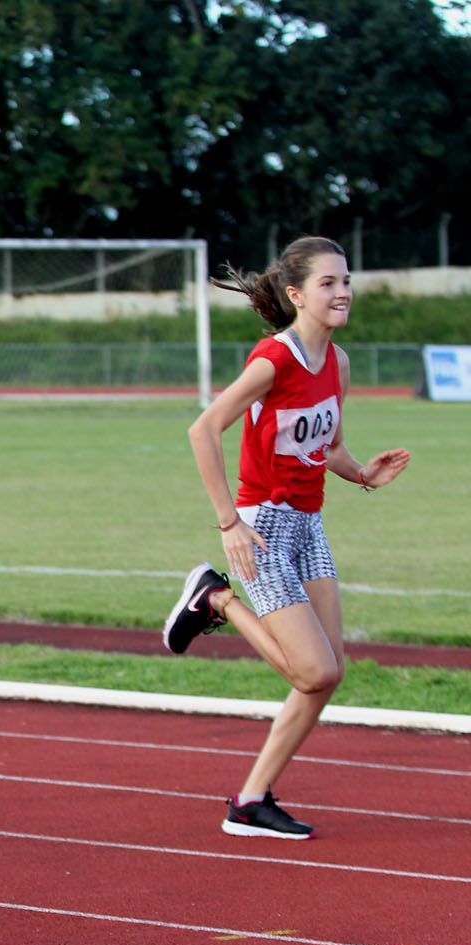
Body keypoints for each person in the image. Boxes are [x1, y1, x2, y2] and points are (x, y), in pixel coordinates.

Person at [163, 236, 410, 839]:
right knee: (314, 673)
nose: (343, 291)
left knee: (328, 675)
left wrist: (361, 474)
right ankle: (214, 599)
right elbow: (204, 429)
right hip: (262, 527)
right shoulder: (275, 359)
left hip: (310, 523)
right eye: (328, 283)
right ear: (296, 294)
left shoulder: (339, 362)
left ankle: (250, 802)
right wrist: (229, 522)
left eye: (346, 280)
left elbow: (326, 443)